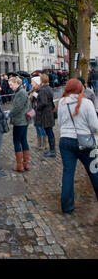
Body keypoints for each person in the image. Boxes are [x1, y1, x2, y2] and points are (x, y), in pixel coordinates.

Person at [58, 78, 98, 214]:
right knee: (94, 172)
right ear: (80, 88)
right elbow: (94, 126)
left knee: (68, 173)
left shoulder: (62, 103)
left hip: (65, 141)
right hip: (85, 142)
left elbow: (60, 123)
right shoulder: (87, 103)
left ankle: (67, 206)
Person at [8, 76, 30, 172]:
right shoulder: (20, 92)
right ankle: (25, 164)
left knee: (17, 141)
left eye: (11, 85)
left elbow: (17, 107)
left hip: (20, 121)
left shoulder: (21, 92)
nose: (10, 87)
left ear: (17, 83)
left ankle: (20, 165)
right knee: (23, 140)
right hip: (23, 120)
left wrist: (9, 114)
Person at [35, 74, 56, 157]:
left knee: (49, 132)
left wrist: (37, 106)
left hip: (46, 113)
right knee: (49, 131)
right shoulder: (48, 88)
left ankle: (52, 150)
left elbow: (43, 102)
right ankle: (52, 150)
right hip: (49, 112)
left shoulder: (43, 90)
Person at [30, 77, 49, 150]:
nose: (31, 83)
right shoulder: (33, 90)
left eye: (33, 82)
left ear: (37, 83)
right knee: (37, 128)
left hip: (40, 112)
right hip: (34, 112)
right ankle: (39, 143)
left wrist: (36, 95)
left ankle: (45, 144)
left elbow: (43, 101)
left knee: (41, 128)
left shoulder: (41, 90)